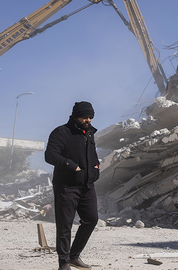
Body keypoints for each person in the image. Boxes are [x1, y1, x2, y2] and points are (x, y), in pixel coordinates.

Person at [45, 101, 100, 270]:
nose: (88, 120)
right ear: (75, 116)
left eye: (91, 117)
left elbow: (92, 155)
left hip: (87, 186)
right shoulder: (61, 132)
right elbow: (50, 155)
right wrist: (71, 166)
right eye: (85, 117)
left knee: (91, 219)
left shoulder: (89, 133)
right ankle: (64, 263)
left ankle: (74, 256)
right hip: (66, 186)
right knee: (65, 225)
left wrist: (96, 168)